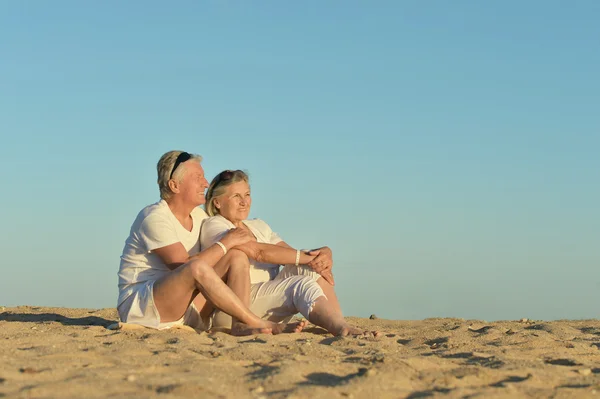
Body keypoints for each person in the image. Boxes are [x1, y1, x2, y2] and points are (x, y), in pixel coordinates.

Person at [117, 151, 291, 335]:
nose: (206, 183)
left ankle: (240, 323)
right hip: (145, 308)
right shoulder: (154, 217)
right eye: (198, 177)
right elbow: (184, 267)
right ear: (174, 185)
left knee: (235, 256)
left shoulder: (200, 217)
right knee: (194, 267)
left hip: (186, 306)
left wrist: (305, 257)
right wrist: (225, 242)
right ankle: (253, 320)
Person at [201, 169, 379, 337]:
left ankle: (339, 323)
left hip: (267, 298)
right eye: (236, 196)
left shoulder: (258, 225)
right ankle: (341, 328)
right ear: (217, 202)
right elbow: (259, 252)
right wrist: (307, 258)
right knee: (299, 283)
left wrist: (322, 256)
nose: (244, 202)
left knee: (310, 269)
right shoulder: (216, 225)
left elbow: (288, 253)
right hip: (235, 309)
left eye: (247, 195)